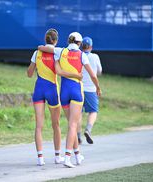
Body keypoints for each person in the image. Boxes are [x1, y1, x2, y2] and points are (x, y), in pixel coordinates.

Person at [38, 32, 101, 168]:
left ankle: (77, 155)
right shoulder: (82, 55)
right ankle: (67, 157)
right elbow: (93, 75)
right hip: (76, 92)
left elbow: (44, 48)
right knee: (73, 125)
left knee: (71, 124)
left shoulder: (60, 51)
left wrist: (40, 47)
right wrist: (97, 87)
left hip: (64, 93)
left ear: (68, 41)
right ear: (79, 43)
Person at [27, 29, 82, 166]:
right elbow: (60, 72)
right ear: (56, 40)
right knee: (55, 124)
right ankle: (58, 156)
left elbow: (29, 73)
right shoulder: (58, 53)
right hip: (52, 91)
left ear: (45, 39)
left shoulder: (36, 52)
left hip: (38, 89)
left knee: (39, 126)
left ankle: (40, 158)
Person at [77, 37, 102, 145]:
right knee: (93, 111)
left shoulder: (78, 55)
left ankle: (77, 135)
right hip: (91, 89)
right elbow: (99, 71)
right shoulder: (95, 56)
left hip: (79, 88)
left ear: (81, 46)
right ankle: (88, 129)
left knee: (78, 113)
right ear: (91, 47)